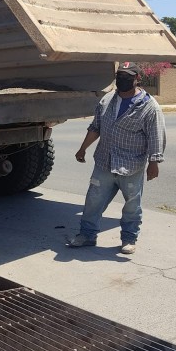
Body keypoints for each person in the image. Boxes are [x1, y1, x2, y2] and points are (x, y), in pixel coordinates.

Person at [68, 62, 166, 255]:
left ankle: (129, 239)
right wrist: (82, 149)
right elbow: (95, 127)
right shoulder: (107, 100)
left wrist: (154, 163)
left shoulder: (149, 106)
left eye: (128, 77)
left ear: (138, 79)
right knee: (92, 202)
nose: (123, 80)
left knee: (132, 206)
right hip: (104, 161)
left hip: (131, 166)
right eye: (120, 76)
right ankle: (87, 235)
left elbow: (156, 135)